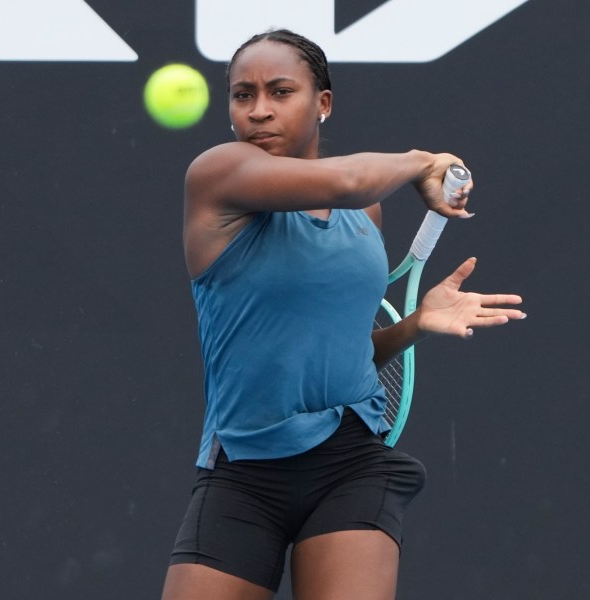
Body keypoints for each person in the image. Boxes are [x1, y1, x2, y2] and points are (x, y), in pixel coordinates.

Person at [161, 29, 526, 600]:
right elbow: (351, 179)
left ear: (322, 104)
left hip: (349, 466)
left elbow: (348, 347)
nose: (259, 111)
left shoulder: (366, 216)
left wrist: (413, 325)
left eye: (280, 92)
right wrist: (425, 161)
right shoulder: (218, 173)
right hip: (241, 470)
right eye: (243, 95)